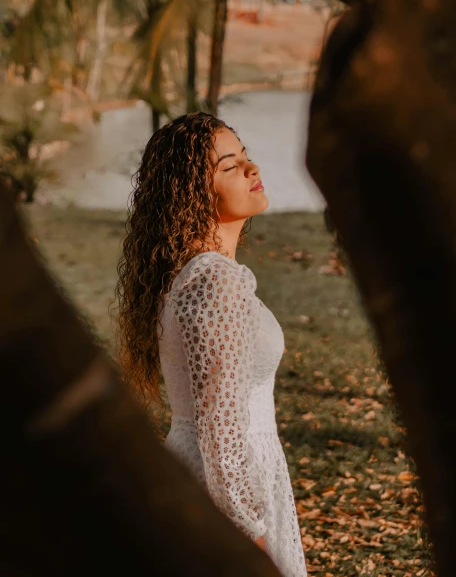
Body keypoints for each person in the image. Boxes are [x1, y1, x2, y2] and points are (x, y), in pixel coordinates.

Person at [116, 111, 307, 577]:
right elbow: (220, 433)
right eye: (229, 166)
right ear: (194, 192)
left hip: (212, 478)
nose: (252, 169)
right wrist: (252, 539)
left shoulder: (200, 274)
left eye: (245, 157)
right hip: (219, 492)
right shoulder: (216, 281)